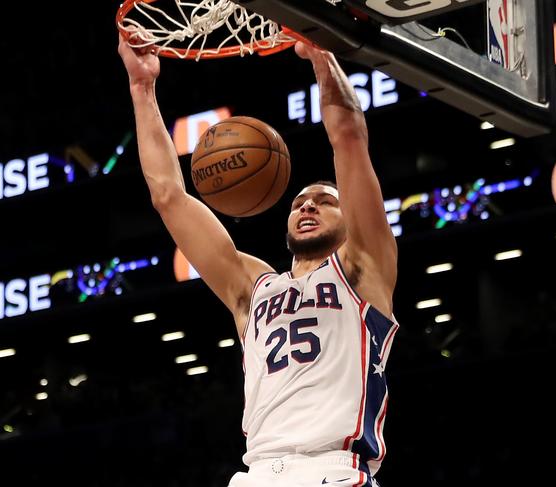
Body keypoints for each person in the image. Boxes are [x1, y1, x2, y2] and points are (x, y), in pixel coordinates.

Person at [118, 33, 398, 487]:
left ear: (352, 219)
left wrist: (321, 57)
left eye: (325, 201)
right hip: (257, 474)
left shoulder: (364, 269)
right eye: (299, 203)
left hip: (333, 471)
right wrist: (142, 88)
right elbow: (168, 196)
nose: (307, 206)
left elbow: (348, 136)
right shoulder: (254, 287)